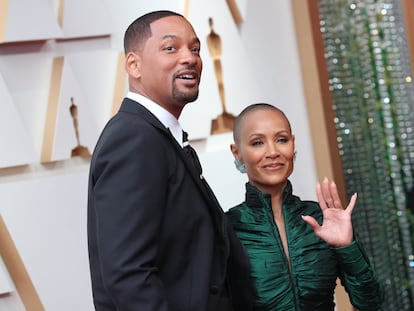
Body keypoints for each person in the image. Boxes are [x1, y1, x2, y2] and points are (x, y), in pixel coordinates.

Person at [87, 10, 252, 311]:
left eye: (195, 48)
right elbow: (128, 274)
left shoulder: (156, 135)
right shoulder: (133, 139)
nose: (189, 58)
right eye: (170, 48)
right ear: (133, 65)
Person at [226, 103, 384, 310]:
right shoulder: (226, 228)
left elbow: (371, 302)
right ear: (237, 152)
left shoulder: (321, 218)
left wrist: (348, 247)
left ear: (293, 144)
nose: (273, 152)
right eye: (257, 143)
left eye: (281, 140)